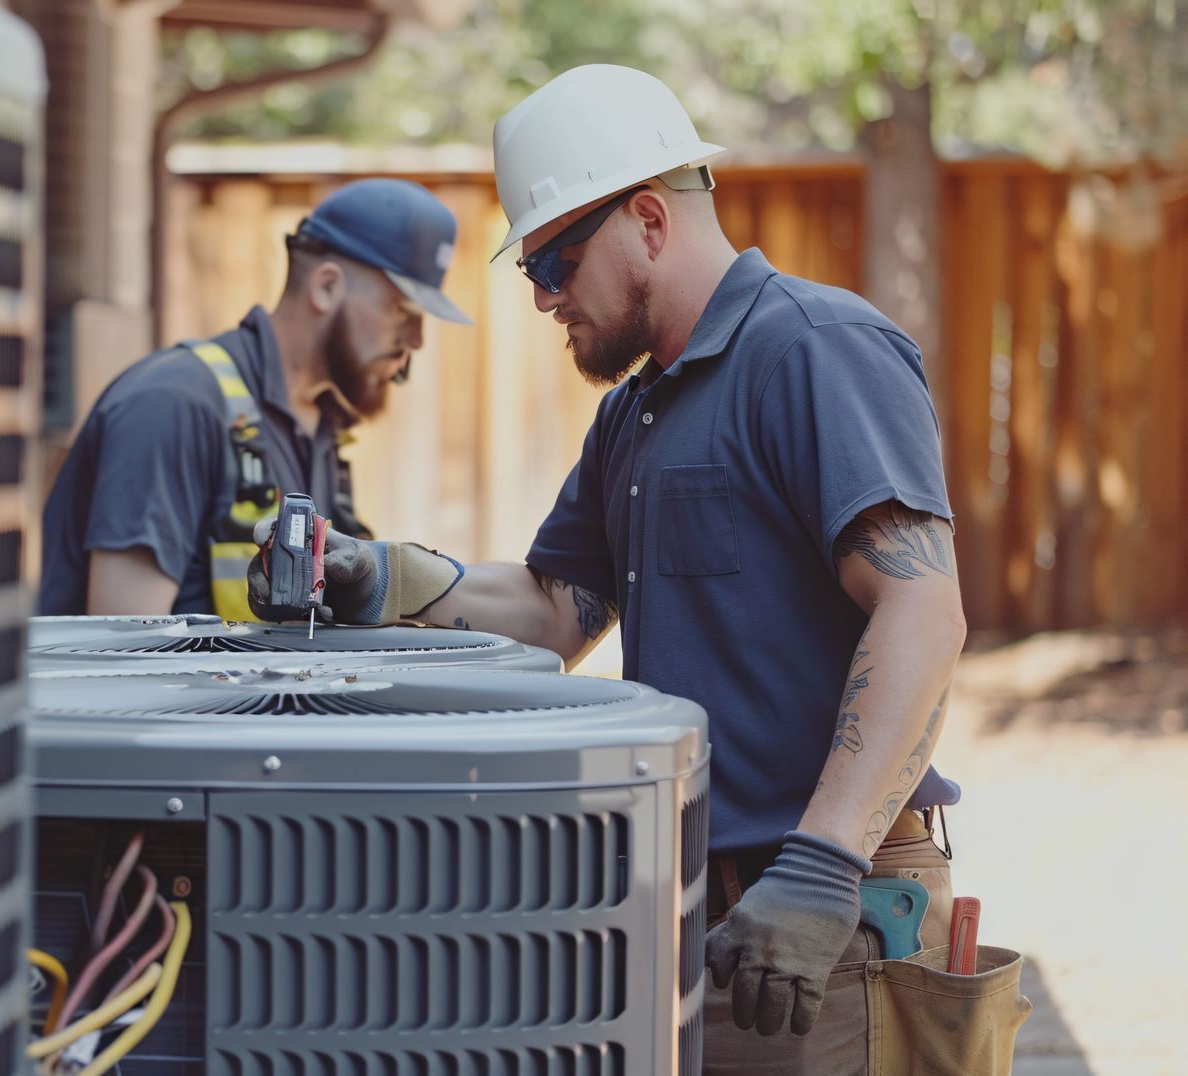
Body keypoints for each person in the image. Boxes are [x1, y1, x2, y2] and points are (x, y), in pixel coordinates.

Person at [248, 65, 969, 1073]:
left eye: (554, 261)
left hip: (828, 912)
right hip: (709, 901)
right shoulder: (638, 411)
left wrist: (824, 860)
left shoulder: (814, 348)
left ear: (647, 219)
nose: (544, 299)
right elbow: (555, 609)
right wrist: (389, 577)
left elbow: (922, 608)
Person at [39, 179, 471, 619]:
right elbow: (120, 652)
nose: (417, 340)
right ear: (326, 287)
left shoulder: (320, 427)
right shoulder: (172, 406)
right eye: (403, 310)